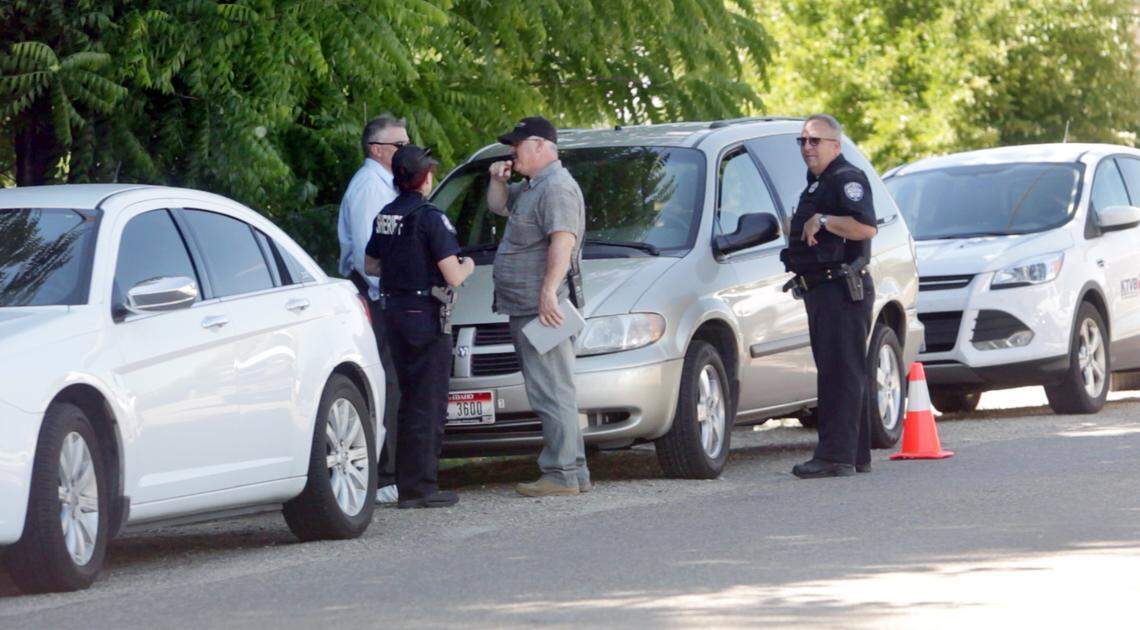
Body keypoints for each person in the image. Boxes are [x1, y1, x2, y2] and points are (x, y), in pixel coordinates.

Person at [363, 145, 474, 508]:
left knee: (408, 399)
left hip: (393, 311)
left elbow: (370, 265)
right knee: (428, 401)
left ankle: (408, 484)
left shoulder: (385, 214)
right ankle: (421, 488)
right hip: (425, 315)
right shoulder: (430, 218)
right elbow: (454, 275)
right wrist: (468, 263)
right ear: (424, 177)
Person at [486, 116, 589, 497]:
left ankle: (561, 473)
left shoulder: (557, 188)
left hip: (543, 307)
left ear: (542, 146)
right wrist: (498, 180)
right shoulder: (534, 187)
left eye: (518, 144)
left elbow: (562, 242)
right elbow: (499, 208)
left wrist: (548, 292)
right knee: (555, 388)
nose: (511, 151)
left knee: (551, 390)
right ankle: (574, 470)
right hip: (532, 304)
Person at [779, 114, 878, 479]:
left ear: (835, 144)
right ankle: (854, 454)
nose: (807, 147)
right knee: (844, 371)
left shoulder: (845, 179)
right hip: (824, 289)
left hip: (840, 288)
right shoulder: (819, 182)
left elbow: (866, 226)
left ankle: (835, 457)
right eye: (802, 141)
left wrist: (821, 221)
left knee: (840, 373)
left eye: (815, 140)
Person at [338, 115, 409, 504]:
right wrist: (389, 295)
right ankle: (383, 476)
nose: (407, 151)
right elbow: (371, 253)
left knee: (395, 381)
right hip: (375, 295)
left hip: (384, 295)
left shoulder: (386, 184)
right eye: (400, 145)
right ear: (377, 150)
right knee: (387, 382)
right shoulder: (369, 187)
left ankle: (392, 471)